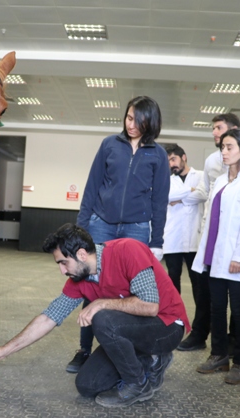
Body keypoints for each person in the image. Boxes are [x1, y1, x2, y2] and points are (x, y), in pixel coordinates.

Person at [0, 224, 190, 408]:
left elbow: (151, 306)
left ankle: (138, 384)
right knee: (87, 385)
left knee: (103, 318)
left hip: (167, 326)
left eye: (63, 263)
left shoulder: (128, 250)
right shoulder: (79, 279)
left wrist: (101, 303)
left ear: (81, 254)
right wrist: (3, 350)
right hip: (133, 330)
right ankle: (149, 360)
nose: (62, 271)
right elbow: (48, 318)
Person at [68, 96, 170, 373]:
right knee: (93, 286)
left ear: (151, 122)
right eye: (128, 118)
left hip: (137, 227)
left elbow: (160, 200)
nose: (132, 124)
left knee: (133, 292)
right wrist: (82, 227)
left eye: (139, 120)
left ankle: (123, 349)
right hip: (102, 223)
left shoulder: (158, 155)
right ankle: (84, 349)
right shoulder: (110, 145)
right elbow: (92, 186)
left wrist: (157, 240)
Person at [182, 114, 240, 353]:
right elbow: (211, 217)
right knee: (217, 308)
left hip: (236, 257)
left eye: (229, 147)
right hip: (214, 254)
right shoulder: (220, 180)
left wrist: (239, 256)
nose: (224, 151)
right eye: (222, 147)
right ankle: (218, 355)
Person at [162, 145, 209, 351]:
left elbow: (203, 194)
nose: (171, 164)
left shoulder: (200, 175)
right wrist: (188, 193)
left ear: (184, 157)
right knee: (172, 286)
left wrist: (178, 197)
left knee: (200, 288)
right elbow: (165, 196)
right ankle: (173, 326)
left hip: (194, 241)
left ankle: (199, 334)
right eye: (168, 161)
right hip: (172, 240)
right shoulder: (166, 178)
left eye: (173, 159)